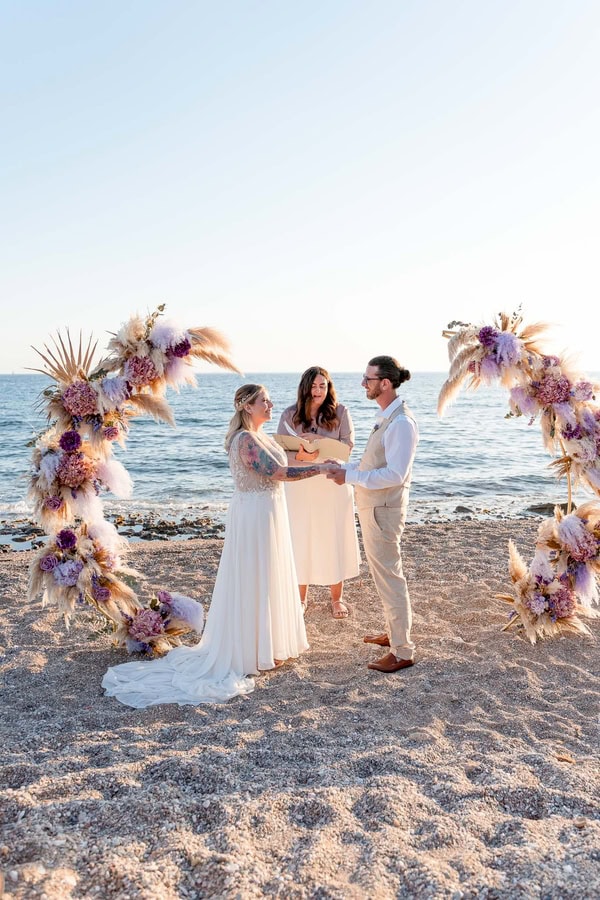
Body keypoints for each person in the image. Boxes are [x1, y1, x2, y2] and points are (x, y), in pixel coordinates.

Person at [102, 384, 336, 707]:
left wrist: (312, 455)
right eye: (263, 400)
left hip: (268, 512)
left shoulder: (263, 436)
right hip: (254, 516)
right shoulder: (244, 441)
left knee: (269, 577)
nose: (270, 403)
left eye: (269, 398)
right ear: (246, 407)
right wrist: (321, 469)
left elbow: (285, 459)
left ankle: (268, 646)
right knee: (255, 578)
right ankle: (251, 652)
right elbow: (278, 472)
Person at [326, 356, 419, 673]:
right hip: (373, 507)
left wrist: (349, 478)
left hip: (384, 510)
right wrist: (343, 468)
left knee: (390, 577)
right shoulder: (386, 417)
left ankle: (402, 650)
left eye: (368, 378)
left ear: (385, 383)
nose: (363, 383)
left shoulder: (402, 424)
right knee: (383, 575)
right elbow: (373, 466)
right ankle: (394, 634)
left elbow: (395, 474)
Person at [278, 366, 360, 618]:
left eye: (322, 386)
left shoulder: (341, 412)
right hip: (301, 485)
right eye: (313, 386)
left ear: (329, 387)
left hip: (331, 484)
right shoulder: (289, 414)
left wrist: (322, 451)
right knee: (301, 538)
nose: (318, 391)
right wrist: (301, 454)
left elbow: (348, 446)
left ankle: (337, 599)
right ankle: (301, 598)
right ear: (305, 388)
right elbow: (281, 450)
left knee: (333, 537)